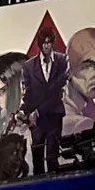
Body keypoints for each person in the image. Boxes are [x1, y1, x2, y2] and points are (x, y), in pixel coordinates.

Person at [21, 24, 67, 177]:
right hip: (37, 122)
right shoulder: (28, 66)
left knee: (52, 158)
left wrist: (38, 111)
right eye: (44, 42)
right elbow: (28, 94)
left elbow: (57, 92)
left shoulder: (62, 61)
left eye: (49, 42)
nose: (47, 45)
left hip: (54, 116)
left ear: (53, 43)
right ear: (40, 44)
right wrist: (24, 112)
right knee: (38, 161)